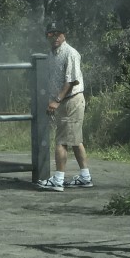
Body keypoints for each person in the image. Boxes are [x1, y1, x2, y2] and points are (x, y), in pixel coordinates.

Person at [36, 21, 92, 191]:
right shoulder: (51, 54)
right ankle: (85, 177)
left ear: (64, 35)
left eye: (57, 33)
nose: (54, 37)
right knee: (75, 141)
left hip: (71, 100)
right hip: (64, 101)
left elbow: (71, 80)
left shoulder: (70, 53)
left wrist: (56, 100)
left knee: (61, 141)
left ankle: (58, 180)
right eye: (50, 34)